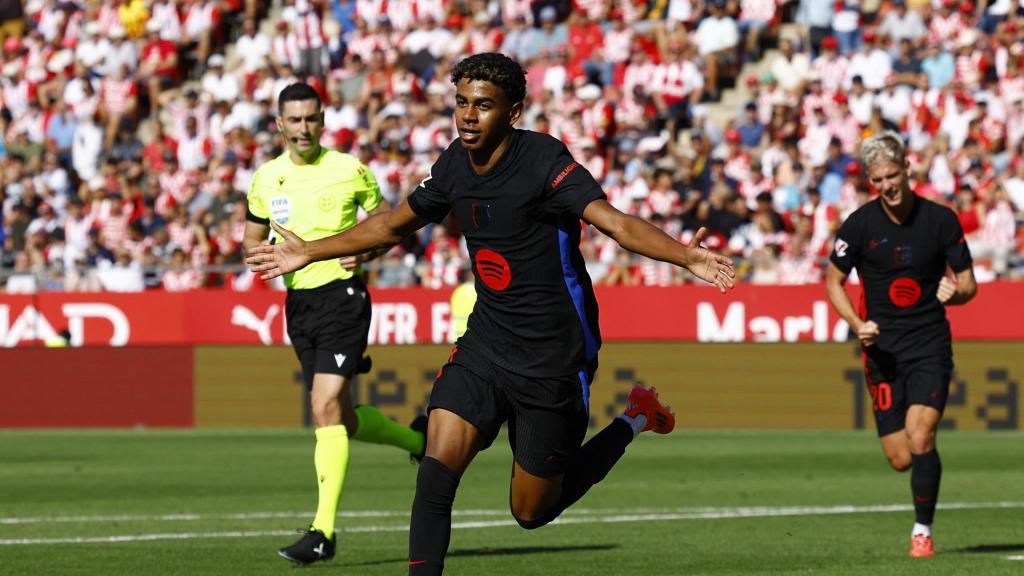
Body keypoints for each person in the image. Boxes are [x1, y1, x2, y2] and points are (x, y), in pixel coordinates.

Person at [246, 53, 736, 575]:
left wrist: (686, 255)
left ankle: (636, 417)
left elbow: (614, 223)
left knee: (531, 510)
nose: (468, 116)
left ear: (514, 111)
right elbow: (392, 225)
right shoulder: (455, 163)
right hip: (486, 342)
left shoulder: (545, 160)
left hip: (552, 353)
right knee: (435, 471)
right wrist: (310, 249)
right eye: (461, 103)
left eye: (483, 105)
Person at [242, 82, 427, 566]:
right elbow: (251, 238)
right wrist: (257, 255)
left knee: (322, 406)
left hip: (344, 298)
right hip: (299, 306)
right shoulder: (265, 178)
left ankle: (322, 531)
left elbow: (389, 221)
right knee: (340, 417)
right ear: (279, 124)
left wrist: (367, 250)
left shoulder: (349, 170)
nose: (304, 128)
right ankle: (419, 441)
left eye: (312, 118)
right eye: (295, 119)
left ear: (322, 121)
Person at [825, 131, 977, 558]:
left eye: (892, 175)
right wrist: (857, 324)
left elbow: (969, 284)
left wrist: (957, 293)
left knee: (920, 435)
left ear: (907, 169)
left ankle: (922, 531)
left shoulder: (940, 220)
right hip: (882, 352)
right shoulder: (858, 225)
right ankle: (922, 472)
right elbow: (832, 282)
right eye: (878, 180)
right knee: (900, 456)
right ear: (870, 182)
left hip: (929, 343)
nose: (887, 186)